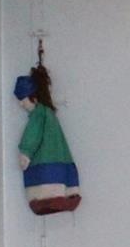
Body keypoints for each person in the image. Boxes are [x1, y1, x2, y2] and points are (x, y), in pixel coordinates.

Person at [15, 66, 81, 214]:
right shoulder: (49, 114)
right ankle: (67, 196)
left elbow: (32, 134)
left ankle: (46, 199)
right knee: (59, 188)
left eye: (22, 100)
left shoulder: (39, 115)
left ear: (32, 97)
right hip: (60, 162)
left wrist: (25, 153)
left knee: (44, 191)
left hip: (45, 166)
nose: (21, 104)